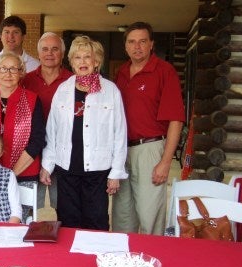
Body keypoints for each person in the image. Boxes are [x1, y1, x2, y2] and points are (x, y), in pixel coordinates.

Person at [40, 36, 128, 231]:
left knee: (96, 221)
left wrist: (116, 172)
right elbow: (52, 130)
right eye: (77, 57)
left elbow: (119, 134)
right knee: (68, 221)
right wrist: (47, 164)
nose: (82, 62)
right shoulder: (63, 90)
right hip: (67, 168)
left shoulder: (110, 91)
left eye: (87, 57)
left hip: (97, 170)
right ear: (71, 62)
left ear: (96, 61)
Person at [112, 22, 185, 235]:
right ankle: (124, 263)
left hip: (150, 149)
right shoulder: (122, 73)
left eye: (143, 41)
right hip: (122, 151)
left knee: (149, 216)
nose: (137, 47)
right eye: (132, 42)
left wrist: (165, 162)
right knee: (122, 216)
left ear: (151, 44)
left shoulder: (164, 71)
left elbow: (175, 120)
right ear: (125, 46)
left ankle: (152, 261)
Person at [0, 52, 46, 221]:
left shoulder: (33, 100)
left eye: (14, 69)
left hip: (24, 174)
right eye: (3, 69)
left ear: (22, 73)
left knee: (19, 223)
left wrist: (11, 174)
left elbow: (37, 139)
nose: (8, 74)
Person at [22, 32, 73, 212]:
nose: (49, 53)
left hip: (64, 152)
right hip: (32, 151)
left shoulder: (72, 81)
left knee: (64, 207)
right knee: (28, 208)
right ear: (38, 53)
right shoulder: (26, 80)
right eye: (45, 49)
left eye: (55, 49)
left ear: (63, 53)